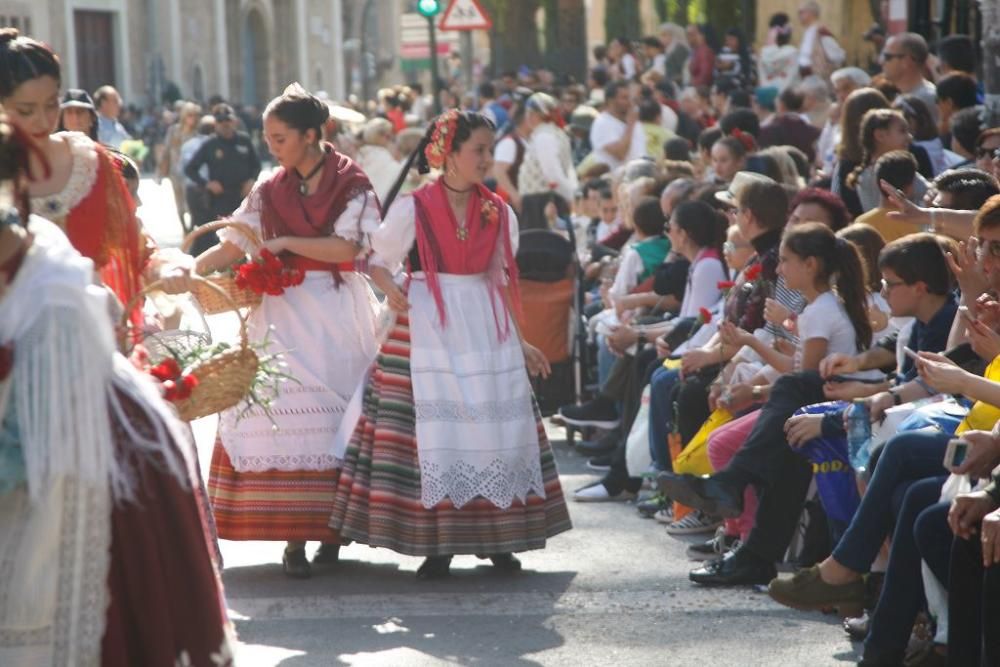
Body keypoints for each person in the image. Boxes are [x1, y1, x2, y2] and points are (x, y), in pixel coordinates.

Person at [0, 109, 231, 665]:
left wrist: (168, 264)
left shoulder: (55, 277)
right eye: (21, 107)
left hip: (66, 452)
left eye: (45, 105)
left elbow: (138, 249)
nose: (38, 121)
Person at [329, 110, 572, 579]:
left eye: (489, 149)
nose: (487, 158)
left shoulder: (498, 211)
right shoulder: (412, 208)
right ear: (448, 154)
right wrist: (390, 285)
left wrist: (520, 342)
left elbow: (499, 280)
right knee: (433, 435)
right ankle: (437, 543)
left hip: (483, 325)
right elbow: (375, 259)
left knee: (489, 426)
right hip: (425, 322)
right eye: (478, 149)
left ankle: (498, 538)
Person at [191, 84, 381, 580]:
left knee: (333, 418)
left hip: (334, 309)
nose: (272, 147)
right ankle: (296, 536)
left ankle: (331, 532)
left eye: (280, 138)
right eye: (269, 138)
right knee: (277, 410)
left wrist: (285, 242)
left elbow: (347, 249)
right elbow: (235, 239)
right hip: (281, 310)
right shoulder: (269, 186)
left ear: (312, 135)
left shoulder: (351, 182)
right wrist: (192, 268)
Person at [660, 222, 875, 585]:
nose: (778, 269)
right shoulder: (817, 308)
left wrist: (756, 354)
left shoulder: (821, 310)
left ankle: (735, 495)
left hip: (835, 402)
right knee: (787, 444)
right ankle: (752, 550)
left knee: (787, 401)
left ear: (811, 265)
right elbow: (799, 370)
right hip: (820, 401)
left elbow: (806, 379)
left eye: (786, 261)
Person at [0, 30, 185, 328]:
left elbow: (135, 243)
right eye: (25, 110)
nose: (43, 120)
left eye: (51, 104)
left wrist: (163, 269)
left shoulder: (87, 161)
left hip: (91, 337)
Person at [184, 103, 262, 256]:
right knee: (222, 239)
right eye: (220, 121)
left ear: (234, 121)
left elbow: (256, 165)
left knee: (247, 235)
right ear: (216, 124)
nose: (225, 124)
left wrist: (252, 180)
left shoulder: (244, 140)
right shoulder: (210, 144)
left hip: (243, 197)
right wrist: (207, 184)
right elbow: (190, 169)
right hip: (221, 199)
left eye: (228, 120)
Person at [517, 92, 579, 229]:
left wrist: (570, 197)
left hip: (541, 203)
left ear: (536, 115)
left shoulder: (544, 136)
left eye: (530, 113)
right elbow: (568, 170)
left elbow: (553, 173)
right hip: (545, 200)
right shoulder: (553, 133)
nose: (528, 117)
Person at [158, 101, 201, 228]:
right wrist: (160, 171)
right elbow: (166, 150)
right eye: (189, 115)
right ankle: (184, 228)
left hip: (191, 172)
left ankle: (192, 226)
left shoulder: (196, 133)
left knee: (191, 202)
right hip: (175, 171)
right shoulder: (174, 130)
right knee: (179, 202)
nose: (192, 118)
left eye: (194, 115)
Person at [879, 33, 938, 125]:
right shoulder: (906, 95)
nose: (881, 62)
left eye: (887, 57)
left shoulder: (926, 98)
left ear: (906, 61)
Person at [589, 80, 645, 170]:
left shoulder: (633, 120)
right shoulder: (602, 123)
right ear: (611, 101)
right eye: (624, 98)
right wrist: (630, 126)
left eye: (629, 98)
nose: (629, 102)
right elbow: (620, 153)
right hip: (614, 179)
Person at [356, 117, 402, 203]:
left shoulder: (360, 153)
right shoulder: (382, 155)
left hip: (360, 203)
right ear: (379, 135)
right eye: (388, 136)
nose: (389, 140)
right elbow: (398, 173)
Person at [796, 0, 845, 81]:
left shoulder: (821, 32)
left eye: (801, 12)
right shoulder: (807, 32)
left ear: (811, 13)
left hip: (819, 77)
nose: (799, 15)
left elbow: (838, 56)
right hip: (805, 77)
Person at [758, 13, 799, 92]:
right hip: (787, 98)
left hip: (767, 97)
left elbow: (761, 79)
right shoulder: (792, 53)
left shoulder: (763, 54)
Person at [93, 84, 132, 149]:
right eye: (115, 101)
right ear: (103, 103)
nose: (119, 104)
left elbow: (129, 144)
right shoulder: (95, 125)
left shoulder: (118, 126)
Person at [686, 24, 717, 88]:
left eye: (693, 34)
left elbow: (705, 76)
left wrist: (691, 84)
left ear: (702, 36)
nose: (689, 37)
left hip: (700, 90)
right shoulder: (696, 50)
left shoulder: (705, 51)